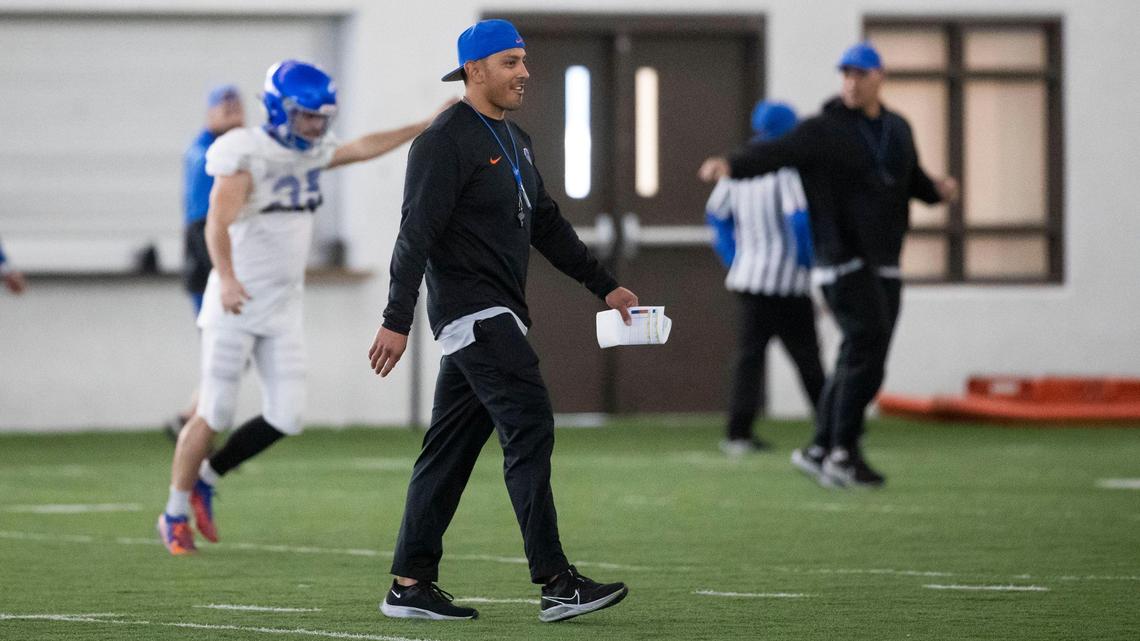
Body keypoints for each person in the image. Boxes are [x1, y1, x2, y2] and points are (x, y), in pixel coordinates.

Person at [368, 19, 636, 623]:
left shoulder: (516, 141)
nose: (524, 72)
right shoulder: (443, 141)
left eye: (524, 61)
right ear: (475, 70)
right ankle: (557, 582)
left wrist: (606, 286)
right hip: (475, 314)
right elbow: (414, 237)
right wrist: (396, 318)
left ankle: (409, 585)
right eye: (511, 62)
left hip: (494, 317)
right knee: (530, 424)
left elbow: (547, 225)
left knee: (449, 451)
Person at [158, 59, 449, 555]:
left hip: (281, 307)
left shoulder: (310, 151)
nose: (316, 126)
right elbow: (215, 224)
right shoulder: (246, 152)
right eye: (307, 116)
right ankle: (175, 513)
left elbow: (360, 147)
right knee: (214, 410)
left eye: (322, 117)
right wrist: (225, 279)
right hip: (235, 301)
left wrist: (425, 124)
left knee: (287, 416)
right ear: (277, 110)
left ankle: (208, 475)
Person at [699, 42, 959, 488]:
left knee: (863, 358)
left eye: (860, 74)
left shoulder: (897, 128)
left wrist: (938, 192)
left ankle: (823, 445)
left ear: (880, 77)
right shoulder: (823, 128)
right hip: (841, 259)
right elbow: (775, 153)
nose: (851, 82)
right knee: (860, 345)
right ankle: (842, 450)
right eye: (846, 74)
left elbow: (910, 177)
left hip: (885, 261)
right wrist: (733, 164)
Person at [705, 100, 825, 457]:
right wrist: (808, 264)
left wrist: (733, 256)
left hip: (748, 278)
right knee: (808, 357)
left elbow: (716, 215)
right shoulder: (785, 168)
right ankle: (834, 425)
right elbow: (800, 220)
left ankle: (738, 434)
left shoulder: (737, 165)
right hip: (788, 281)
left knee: (749, 358)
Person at [165, 85, 246, 440]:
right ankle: (196, 428)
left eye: (235, 106)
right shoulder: (207, 153)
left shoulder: (229, 149)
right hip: (206, 258)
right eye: (224, 107)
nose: (231, 112)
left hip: (212, 256)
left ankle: (191, 418)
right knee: (223, 350)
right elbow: (205, 222)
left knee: (229, 352)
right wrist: (222, 273)